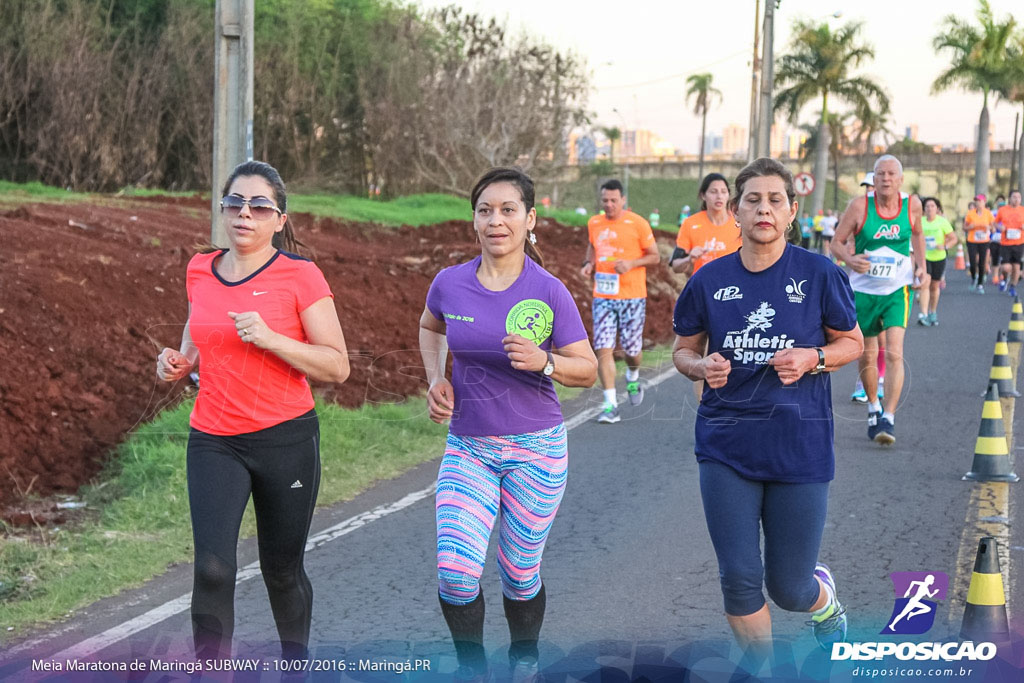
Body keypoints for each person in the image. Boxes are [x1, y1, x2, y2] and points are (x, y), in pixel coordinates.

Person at [156, 161, 350, 662]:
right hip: (214, 438)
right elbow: (198, 328)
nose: (245, 213)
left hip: (285, 440)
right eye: (235, 202)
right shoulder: (200, 267)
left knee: (281, 572)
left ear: (279, 219)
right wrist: (180, 360)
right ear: (222, 208)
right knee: (212, 569)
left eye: (260, 205)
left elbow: (337, 366)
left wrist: (271, 338)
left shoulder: (300, 276)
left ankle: (294, 669)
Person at [672, 157, 864, 667]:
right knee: (738, 579)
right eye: (752, 200)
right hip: (725, 445)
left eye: (775, 200)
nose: (764, 209)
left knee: (789, 587)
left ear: (792, 211)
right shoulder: (709, 280)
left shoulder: (819, 273)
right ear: (734, 211)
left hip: (799, 448)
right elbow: (681, 350)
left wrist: (814, 357)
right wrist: (700, 366)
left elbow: (852, 343)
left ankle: (823, 601)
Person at [419, 167, 597, 682]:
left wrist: (545, 361)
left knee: (520, 575)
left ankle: (524, 658)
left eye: (508, 210)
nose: (495, 220)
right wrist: (436, 379)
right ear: (474, 220)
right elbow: (430, 326)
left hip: (536, 450)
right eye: (485, 210)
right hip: (469, 446)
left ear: (529, 219)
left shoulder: (549, 291)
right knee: (455, 574)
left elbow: (584, 370)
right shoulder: (449, 283)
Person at [831, 154, 928, 445]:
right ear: (873, 179)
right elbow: (836, 242)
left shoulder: (912, 205)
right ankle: (873, 405)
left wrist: (920, 265)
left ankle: (889, 417)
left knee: (895, 352)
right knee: (868, 353)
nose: (885, 179)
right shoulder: (860, 206)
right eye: (880, 174)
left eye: (891, 174)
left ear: (900, 180)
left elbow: (919, 235)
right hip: (863, 291)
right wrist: (850, 258)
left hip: (897, 290)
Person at [581, 179, 660, 423]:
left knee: (631, 351)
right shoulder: (594, 222)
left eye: (614, 200)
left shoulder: (638, 223)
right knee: (602, 346)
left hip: (632, 296)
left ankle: (633, 376)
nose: (609, 205)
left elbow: (655, 257)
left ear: (623, 200)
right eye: (605, 200)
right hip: (603, 296)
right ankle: (610, 405)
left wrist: (632, 264)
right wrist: (588, 263)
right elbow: (592, 246)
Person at [670, 173, 741, 276]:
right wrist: (689, 258)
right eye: (713, 192)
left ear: (728, 195)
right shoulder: (690, 224)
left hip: (734, 286)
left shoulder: (740, 222)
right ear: (703, 195)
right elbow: (676, 266)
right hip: (703, 287)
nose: (719, 196)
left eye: (723, 192)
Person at [917, 197, 958, 326]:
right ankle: (923, 314)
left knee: (934, 286)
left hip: (939, 257)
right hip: (924, 257)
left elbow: (953, 239)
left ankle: (932, 311)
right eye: (927, 206)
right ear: (924, 209)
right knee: (925, 283)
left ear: (937, 209)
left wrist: (944, 246)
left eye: (932, 206)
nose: (929, 209)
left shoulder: (942, 222)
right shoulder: (920, 222)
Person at [995, 189, 1024, 297]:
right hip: (1006, 243)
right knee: (1006, 267)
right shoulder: (1003, 210)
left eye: (1019, 197)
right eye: (1014, 197)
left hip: (1019, 242)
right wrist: (1000, 227)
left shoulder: (1023, 210)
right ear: (1010, 199)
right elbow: (995, 223)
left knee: (1016, 267)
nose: (1017, 200)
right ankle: (1004, 278)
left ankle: (1012, 287)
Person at [964, 194, 994, 293]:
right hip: (972, 240)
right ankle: (974, 277)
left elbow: (993, 228)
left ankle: (980, 284)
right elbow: (964, 227)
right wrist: (970, 227)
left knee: (982, 262)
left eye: (980, 201)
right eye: (976, 201)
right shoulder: (970, 213)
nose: (978, 203)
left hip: (984, 241)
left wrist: (988, 228)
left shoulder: (988, 214)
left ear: (984, 202)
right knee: (972, 262)